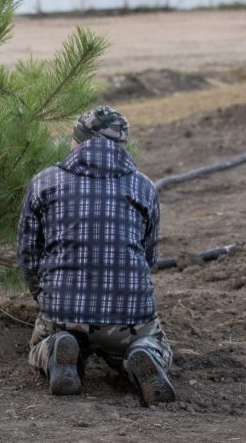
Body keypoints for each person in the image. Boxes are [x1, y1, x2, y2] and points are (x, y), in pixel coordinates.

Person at [16, 106, 176, 406]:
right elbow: (149, 255)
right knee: (152, 339)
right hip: (129, 315)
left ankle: (57, 350)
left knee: (41, 343)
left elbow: (28, 254)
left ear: (77, 141)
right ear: (122, 144)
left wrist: (45, 296)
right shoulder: (144, 186)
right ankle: (143, 352)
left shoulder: (44, 182)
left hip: (64, 312)